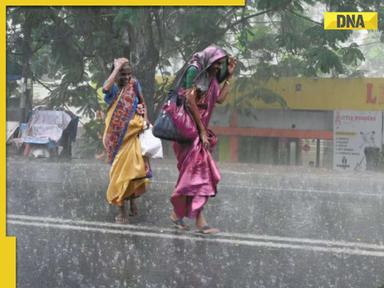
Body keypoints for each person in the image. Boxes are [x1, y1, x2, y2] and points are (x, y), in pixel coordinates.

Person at [170, 45, 237, 234]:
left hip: (198, 132)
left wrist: (229, 77)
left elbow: (220, 99)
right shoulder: (195, 70)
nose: (218, 68)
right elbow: (190, 101)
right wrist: (201, 131)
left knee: (193, 175)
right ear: (208, 60)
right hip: (188, 131)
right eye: (216, 64)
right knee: (198, 174)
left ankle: (177, 215)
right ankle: (200, 221)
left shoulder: (211, 77)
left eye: (220, 65)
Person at [102, 57, 150, 224]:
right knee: (118, 174)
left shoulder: (134, 84)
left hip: (133, 134)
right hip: (116, 137)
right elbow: (105, 88)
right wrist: (116, 69)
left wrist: (145, 120)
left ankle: (132, 200)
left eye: (129, 74)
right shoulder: (113, 87)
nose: (127, 78)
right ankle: (121, 209)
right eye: (124, 74)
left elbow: (143, 103)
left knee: (133, 171)